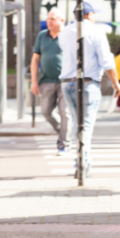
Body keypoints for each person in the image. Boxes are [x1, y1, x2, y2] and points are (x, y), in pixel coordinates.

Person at [59, 2, 120, 178]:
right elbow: (107, 62)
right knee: (85, 126)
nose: (95, 17)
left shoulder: (64, 32)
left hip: (67, 83)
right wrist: (116, 84)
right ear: (88, 15)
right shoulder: (95, 31)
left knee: (76, 123)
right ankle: (82, 165)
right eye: (94, 13)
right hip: (88, 83)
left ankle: (80, 163)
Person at [31, 9, 69, 155]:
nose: (49, 21)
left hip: (66, 81)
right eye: (48, 19)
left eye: (53, 18)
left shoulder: (67, 36)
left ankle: (64, 144)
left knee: (65, 113)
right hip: (46, 81)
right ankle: (63, 131)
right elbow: (35, 59)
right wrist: (34, 81)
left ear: (61, 21)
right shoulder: (42, 36)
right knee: (45, 111)